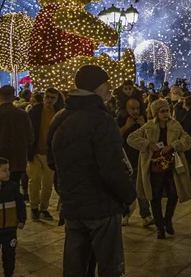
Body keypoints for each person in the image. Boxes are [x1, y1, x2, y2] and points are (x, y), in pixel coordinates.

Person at [49, 65, 136, 277]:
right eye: (107, 84)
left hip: (72, 205)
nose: (110, 89)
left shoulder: (60, 117)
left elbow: (53, 162)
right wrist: (129, 197)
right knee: (109, 266)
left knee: (76, 267)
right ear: (95, 87)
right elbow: (112, 168)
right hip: (102, 207)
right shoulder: (102, 120)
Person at [127, 98, 191, 238]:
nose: (165, 114)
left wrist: (173, 145)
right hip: (154, 166)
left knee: (173, 193)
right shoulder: (149, 126)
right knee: (155, 197)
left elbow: (187, 140)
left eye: (167, 110)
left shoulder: (175, 125)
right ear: (156, 113)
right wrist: (148, 144)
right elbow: (131, 138)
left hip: (172, 166)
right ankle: (159, 227)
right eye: (162, 111)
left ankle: (167, 220)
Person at [0, 85, 34, 206]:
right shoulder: (23, 115)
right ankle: (12, 217)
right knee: (13, 191)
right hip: (18, 160)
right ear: (14, 97)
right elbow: (30, 138)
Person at [27, 87, 62, 221]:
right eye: (47, 97)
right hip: (35, 152)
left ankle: (43, 208)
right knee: (34, 181)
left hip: (50, 153)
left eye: (52, 98)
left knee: (48, 183)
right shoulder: (35, 112)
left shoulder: (58, 113)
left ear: (56, 99)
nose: (49, 100)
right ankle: (34, 207)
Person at [118, 97, 153, 226]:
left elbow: (151, 138)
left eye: (137, 108)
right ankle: (126, 213)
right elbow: (115, 136)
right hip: (125, 160)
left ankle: (145, 215)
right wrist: (126, 127)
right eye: (132, 108)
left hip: (140, 159)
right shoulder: (121, 120)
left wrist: (144, 126)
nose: (135, 111)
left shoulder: (144, 120)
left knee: (141, 188)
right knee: (128, 189)